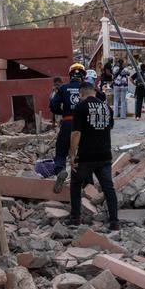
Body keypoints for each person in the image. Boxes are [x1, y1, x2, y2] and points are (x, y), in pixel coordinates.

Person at [67, 82, 119, 230]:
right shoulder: (106, 107)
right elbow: (110, 127)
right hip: (104, 154)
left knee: (76, 184)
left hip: (86, 156)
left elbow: (76, 133)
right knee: (108, 188)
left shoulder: (80, 107)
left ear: (81, 93)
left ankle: (75, 218)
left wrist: (72, 155)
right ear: (94, 92)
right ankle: (114, 222)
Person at [50, 63, 87, 193]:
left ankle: (61, 170)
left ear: (70, 75)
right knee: (83, 153)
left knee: (61, 152)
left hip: (67, 122)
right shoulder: (87, 89)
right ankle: (86, 183)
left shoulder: (64, 88)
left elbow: (53, 106)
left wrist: (63, 112)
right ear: (83, 76)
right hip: (84, 125)